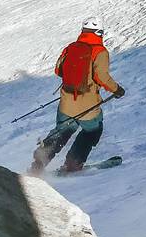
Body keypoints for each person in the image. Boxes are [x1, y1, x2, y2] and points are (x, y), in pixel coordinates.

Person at [30, 20, 124, 174]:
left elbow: (58, 70)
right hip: (88, 105)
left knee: (61, 132)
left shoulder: (70, 48)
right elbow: (102, 77)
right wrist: (117, 89)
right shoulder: (100, 52)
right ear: (99, 33)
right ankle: (72, 164)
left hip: (66, 103)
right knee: (91, 131)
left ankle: (38, 164)